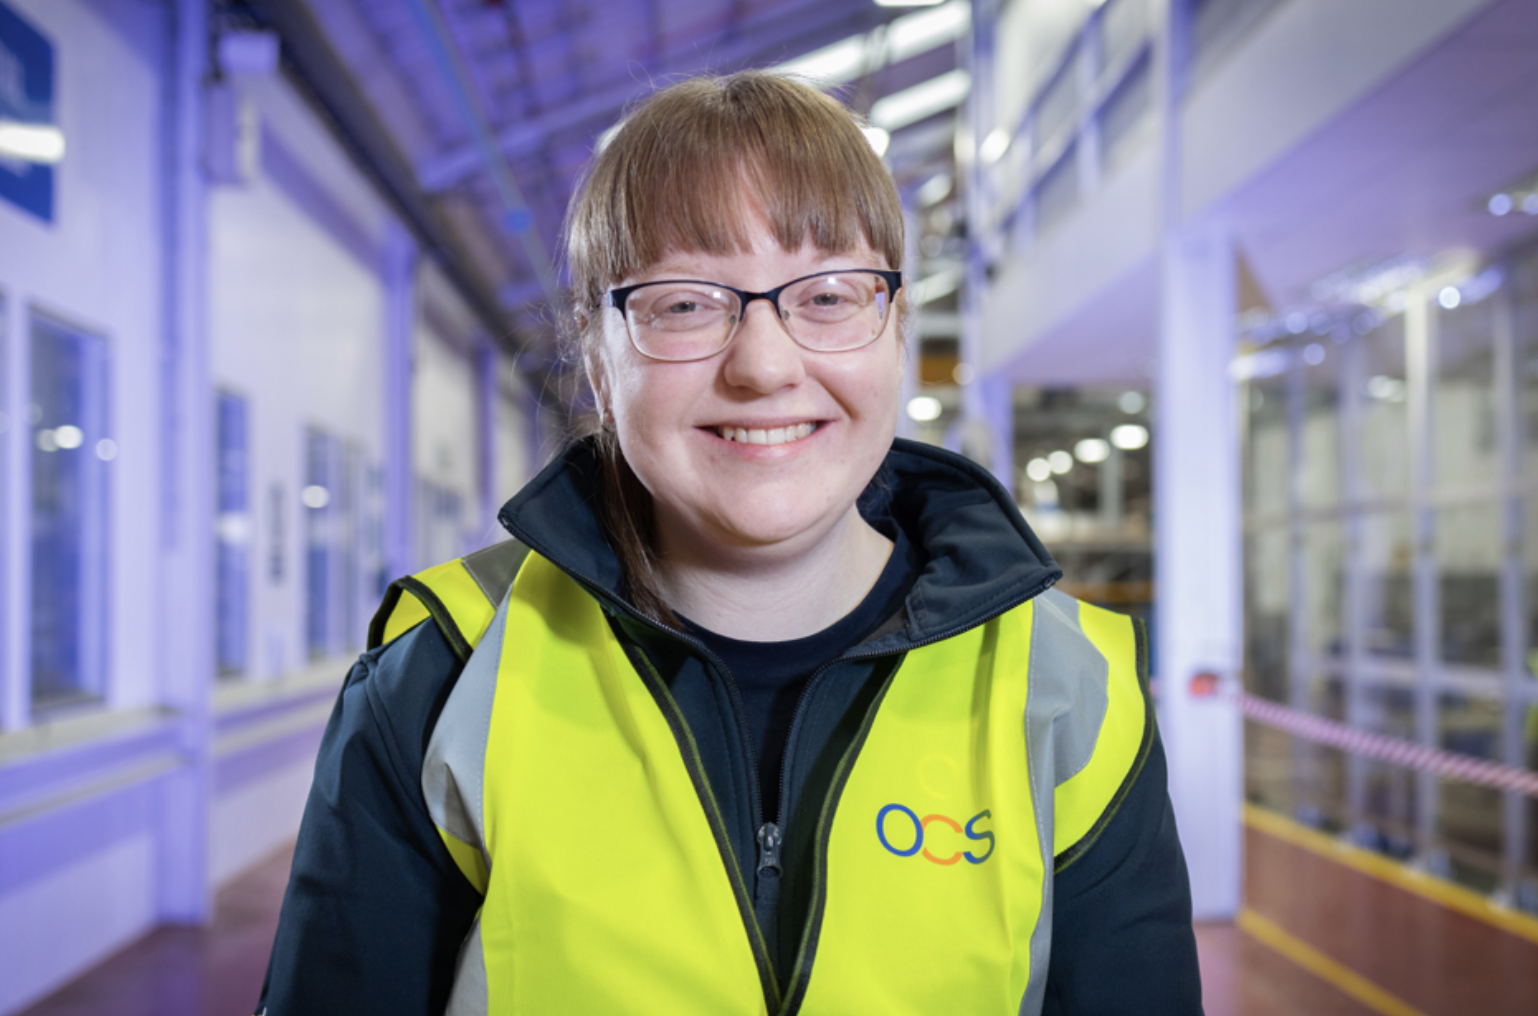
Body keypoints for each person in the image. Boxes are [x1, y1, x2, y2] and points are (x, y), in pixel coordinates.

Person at [256, 72, 1202, 1015]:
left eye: (829, 295)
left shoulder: (1066, 692)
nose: (764, 365)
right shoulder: (445, 677)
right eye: (685, 303)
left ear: (896, 332)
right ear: (597, 354)